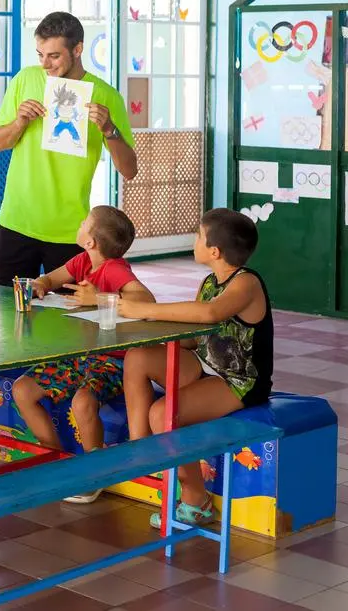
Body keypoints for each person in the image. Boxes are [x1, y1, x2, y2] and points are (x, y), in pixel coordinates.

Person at [119, 208, 274, 528]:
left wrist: (144, 309)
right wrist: (145, 328)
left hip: (238, 381)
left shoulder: (247, 283)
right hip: (205, 363)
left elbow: (210, 314)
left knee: (162, 414)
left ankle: (196, 501)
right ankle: (142, 452)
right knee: (138, 357)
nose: (194, 241)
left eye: (198, 236)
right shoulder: (209, 282)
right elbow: (195, 338)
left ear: (214, 251)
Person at [11, 206, 155, 503]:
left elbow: (146, 298)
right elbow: (51, 278)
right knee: (22, 390)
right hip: (78, 355)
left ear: (90, 241)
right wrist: (40, 284)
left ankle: (93, 473)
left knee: (83, 401)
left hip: (112, 360)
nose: (80, 223)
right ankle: (54, 460)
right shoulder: (81, 261)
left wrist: (99, 297)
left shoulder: (114, 269)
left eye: (84, 222)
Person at [0, 11, 138, 286]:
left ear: (77, 49)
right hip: (16, 221)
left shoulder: (106, 96)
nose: (45, 64)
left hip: (72, 231)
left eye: (54, 56)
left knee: (70, 311)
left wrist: (109, 129)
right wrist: (19, 122)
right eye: (40, 55)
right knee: (3, 304)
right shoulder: (25, 79)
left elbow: (129, 170)